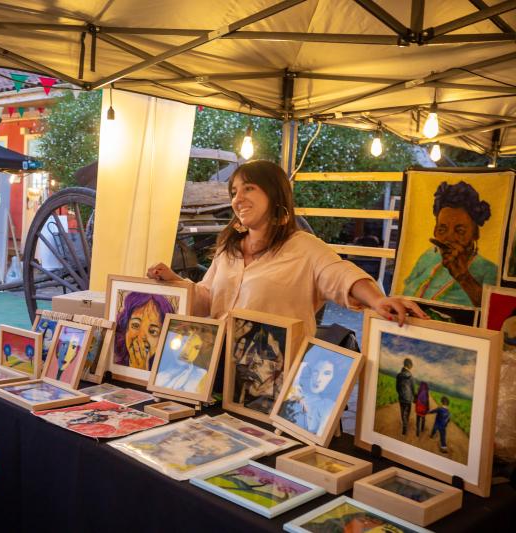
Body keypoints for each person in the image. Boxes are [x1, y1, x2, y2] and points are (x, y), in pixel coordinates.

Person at [148, 161, 426, 338]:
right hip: (219, 372)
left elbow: (342, 275)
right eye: (234, 192)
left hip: (273, 379)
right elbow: (209, 299)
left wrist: (378, 301)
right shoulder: (228, 248)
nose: (238, 199)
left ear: (275, 195)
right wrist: (175, 283)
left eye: (249, 189)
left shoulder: (304, 247)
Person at [403, 181, 496, 307]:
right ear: (435, 231)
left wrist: (464, 277)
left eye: (460, 231)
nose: (449, 238)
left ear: (475, 234)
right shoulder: (428, 257)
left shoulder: (489, 271)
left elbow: (493, 313)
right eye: (442, 229)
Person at [278, 353, 338, 435]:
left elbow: (319, 436)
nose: (318, 379)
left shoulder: (328, 405)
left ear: (333, 377)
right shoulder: (296, 392)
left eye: (326, 373)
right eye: (315, 372)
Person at [113, 292, 175, 370]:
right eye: (135, 325)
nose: (141, 336)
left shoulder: (168, 376)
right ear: (125, 328)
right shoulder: (115, 368)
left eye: (153, 331)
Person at [154, 325, 209, 393]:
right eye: (184, 342)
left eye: (196, 348)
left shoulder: (201, 376)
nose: (187, 352)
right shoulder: (159, 371)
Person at [396, 358, 417, 436]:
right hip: (408, 398)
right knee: (407, 412)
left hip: (401, 397)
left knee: (402, 411)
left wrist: (400, 393)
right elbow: (413, 388)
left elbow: (397, 388)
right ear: (410, 365)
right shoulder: (411, 377)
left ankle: (404, 424)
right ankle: (405, 424)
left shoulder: (399, 375)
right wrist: (414, 397)